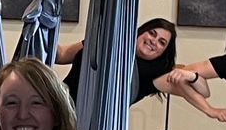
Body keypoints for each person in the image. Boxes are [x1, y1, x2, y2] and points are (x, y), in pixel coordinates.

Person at [55, 16, 205, 110]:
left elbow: (202, 91)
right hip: (57, 103)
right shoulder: (105, 42)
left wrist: (192, 76)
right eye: (152, 33)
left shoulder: (156, 74)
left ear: (163, 52)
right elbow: (61, 55)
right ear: (141, 32)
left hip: (87, 125)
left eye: (161, 42)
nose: (153, 41)